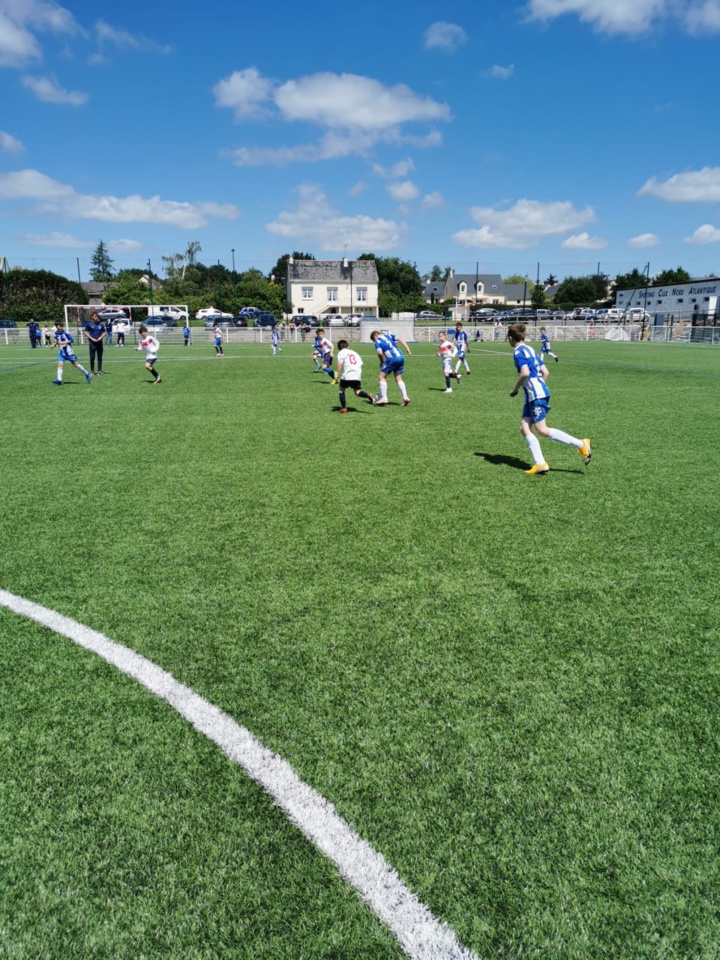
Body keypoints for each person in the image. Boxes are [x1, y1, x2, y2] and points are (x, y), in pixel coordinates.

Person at [507, 323, 590, 475]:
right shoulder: (530, 349)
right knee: (524, 428)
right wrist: (539, 387)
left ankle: (581, 444)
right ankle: (540, 464)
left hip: (535, 395)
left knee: (542, 430)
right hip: (534, 394)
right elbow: (545, 372)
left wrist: (515, 390)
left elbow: (525, 373)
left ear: (510, 338)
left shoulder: (518, 352)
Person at [370, 330, 411, 406]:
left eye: (373, 340)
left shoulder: (377, 341)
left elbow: (380, 353)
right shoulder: (388, 336)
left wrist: (382, 361)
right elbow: (400, 338)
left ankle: (383, 397)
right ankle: (405, 398)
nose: (374, 341)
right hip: (400, 356)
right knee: (398, 378)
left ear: (374, 336)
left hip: (392, 358)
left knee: (381, 377)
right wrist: (407, 348)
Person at [334, 339, 374, 412]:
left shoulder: (341, 352)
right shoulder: (355, 353)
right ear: (348, 346)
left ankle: (343, 408)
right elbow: (361, 363)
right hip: (357, 375)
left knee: (341, 390)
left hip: (347, 375)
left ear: (339, 348)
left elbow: (340, 363)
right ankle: (368, 395)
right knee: (357, 392)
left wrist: (337, 374)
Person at [52, 321, 92, 385]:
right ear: (56, 326)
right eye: (59, 326)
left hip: (68, 352)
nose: (61, 327)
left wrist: (63, 342)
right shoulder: (56, 333)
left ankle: (87, 373)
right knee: (60, 364)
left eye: (61, 326)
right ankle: (59, 380)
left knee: (75, 365)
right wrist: (54, 344)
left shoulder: (65, 333)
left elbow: (71, 340)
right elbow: (57, 340)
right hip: (62, 352)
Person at [84, 311, 106, 376]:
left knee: (99, 357)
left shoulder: (100, 324)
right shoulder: (89, 324)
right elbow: (85, 332)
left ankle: (99, 371)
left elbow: (104, 333)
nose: (96, 317)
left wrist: (100, 337)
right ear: (92, 317)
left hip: (99, 343)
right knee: (92, 357)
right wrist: (91, 338)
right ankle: (92, 371)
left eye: (97, 316)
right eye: (94, 316)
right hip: (92, 343)